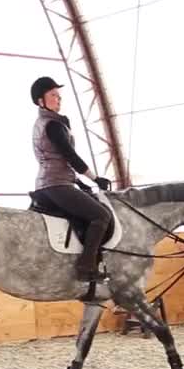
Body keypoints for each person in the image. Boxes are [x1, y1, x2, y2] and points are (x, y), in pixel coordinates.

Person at [28, 76, 113, 282]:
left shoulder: (47, 123)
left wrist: (78, 182)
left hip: (53, 183)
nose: (59, 99)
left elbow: (58, 161)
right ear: (41, 101)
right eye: (53, 95)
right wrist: (95, 178)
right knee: (101, 216)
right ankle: (86, 266)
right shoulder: (52, 125)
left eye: (59, 95)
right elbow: (70, 156)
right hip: (55, 185)